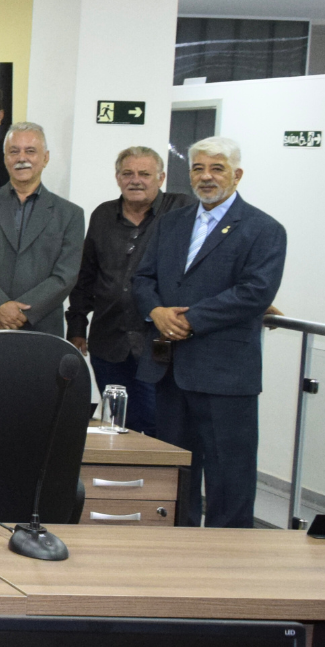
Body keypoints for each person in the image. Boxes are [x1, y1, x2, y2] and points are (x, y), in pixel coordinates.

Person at [132, 137, 286, 528]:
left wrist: (189, 319)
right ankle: (178, 552)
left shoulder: (264, 229)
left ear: (237, 174)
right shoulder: (171, 222)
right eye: (198, 168)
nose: (206, 176)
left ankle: (228, 559)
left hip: (225, 374)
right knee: (178, 474)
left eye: (217, 168)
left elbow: (254, 292)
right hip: (171, 369)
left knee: (228, 476)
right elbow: (143, 277)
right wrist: (156, 311)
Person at [66, 147, 194, 436]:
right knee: (117, 424)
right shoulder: (102, 214)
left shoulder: (181, 209)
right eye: (128, 173)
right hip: (108, 341)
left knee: (155, 424)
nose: (136, 180)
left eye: (145, 174)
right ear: (117, 178)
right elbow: (86, 275)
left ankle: (152, 481)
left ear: (161, 177)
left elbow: (209, 254)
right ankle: (121, 479)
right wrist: (76, 326)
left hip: (158, 343)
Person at [0, 121, 84, 336]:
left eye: (30, 151)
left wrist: (20, 312)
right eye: (14, 151)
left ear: (46, 158)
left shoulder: (70, 214)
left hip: (42, 328)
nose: (22, 158)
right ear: (5, 158)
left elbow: (66, 275)